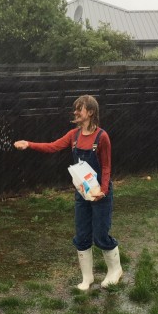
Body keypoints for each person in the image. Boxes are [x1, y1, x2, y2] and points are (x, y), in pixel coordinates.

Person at [14, 94, 123, 290]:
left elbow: (106, 167)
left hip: (100, 194)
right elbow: (52, 147)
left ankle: (115, 271)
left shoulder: (102, 137)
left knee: (100, 235)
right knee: (82, 235)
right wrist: (29, 144)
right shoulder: (73, 135)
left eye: (78, 109)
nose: (75, 112)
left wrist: (104, 191)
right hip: (82, 193)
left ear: (90, 112)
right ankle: (87, 278)